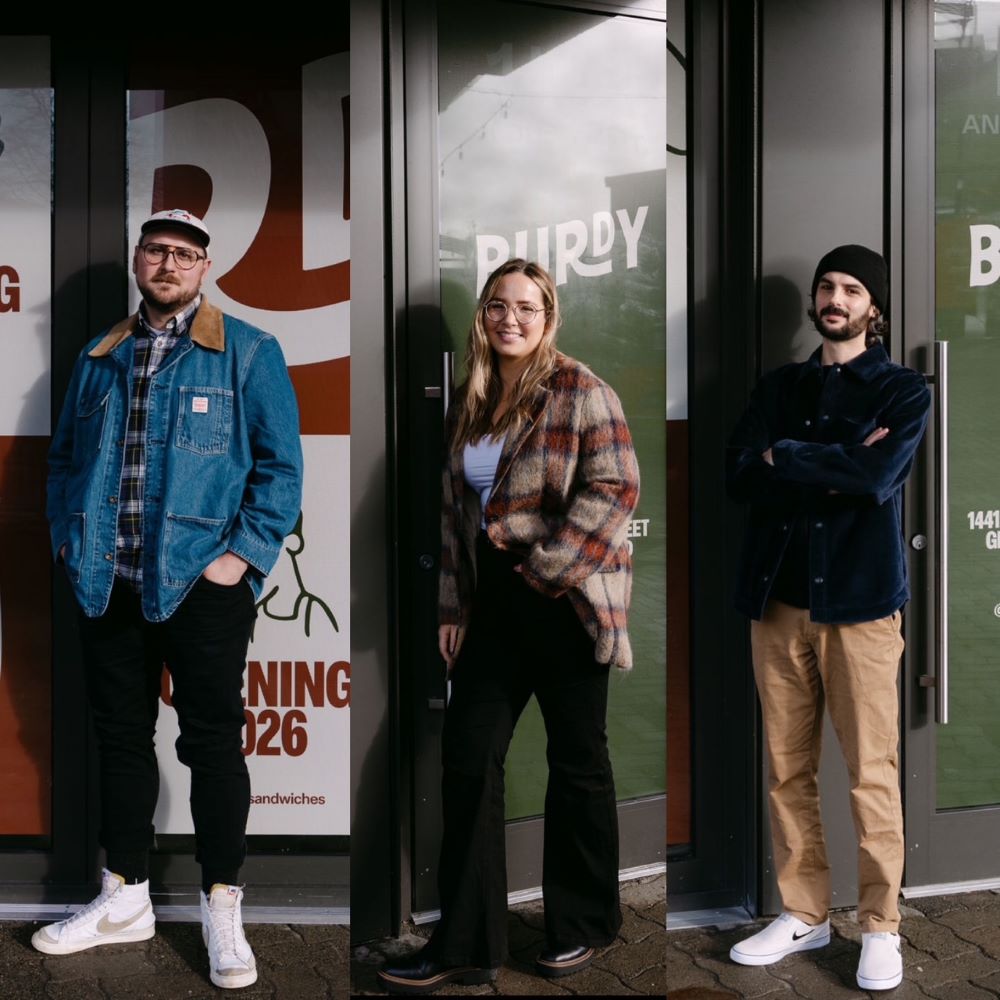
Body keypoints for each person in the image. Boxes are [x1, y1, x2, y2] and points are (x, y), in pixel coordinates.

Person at [36, 209, 303, 991]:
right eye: (158, 250)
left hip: (200, 585)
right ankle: (125, 896)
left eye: (186, 254)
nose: (170, 264)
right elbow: (62, 463)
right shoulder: (100, 354)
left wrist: (242, 559)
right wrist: (65, 535)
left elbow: (281, 471)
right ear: (137, 259)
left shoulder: (247, 350)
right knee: (120, 739)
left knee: (214, 742)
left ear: (204, 269)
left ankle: (223, 902)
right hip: (105, 580)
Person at [377, 258, 640, 995]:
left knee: (579, 764)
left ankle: (583, 923)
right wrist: (454, 608)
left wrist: (545, 572)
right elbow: (455, 518)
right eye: (498, 306)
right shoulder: (472, 398)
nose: (510, 319)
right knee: (468, 762)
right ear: (484, 317)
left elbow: (616, 489)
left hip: (564, 603)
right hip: (492, 611)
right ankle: (465, 943)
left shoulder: (580, 390)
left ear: (548, 316)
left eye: (526, 306)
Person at [726, 245, 930, 991]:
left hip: (862, 609)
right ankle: (804, 913)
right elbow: (738, 472)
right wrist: (822, 454)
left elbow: (877, 478)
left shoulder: (904, 392)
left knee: (871, 771)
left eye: (850, 288)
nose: (835, 297)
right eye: (826, 286)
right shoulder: (779, 387)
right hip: (777, 605)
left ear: (873, 306)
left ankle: (881, 926)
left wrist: (787, 457)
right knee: (787, 769)